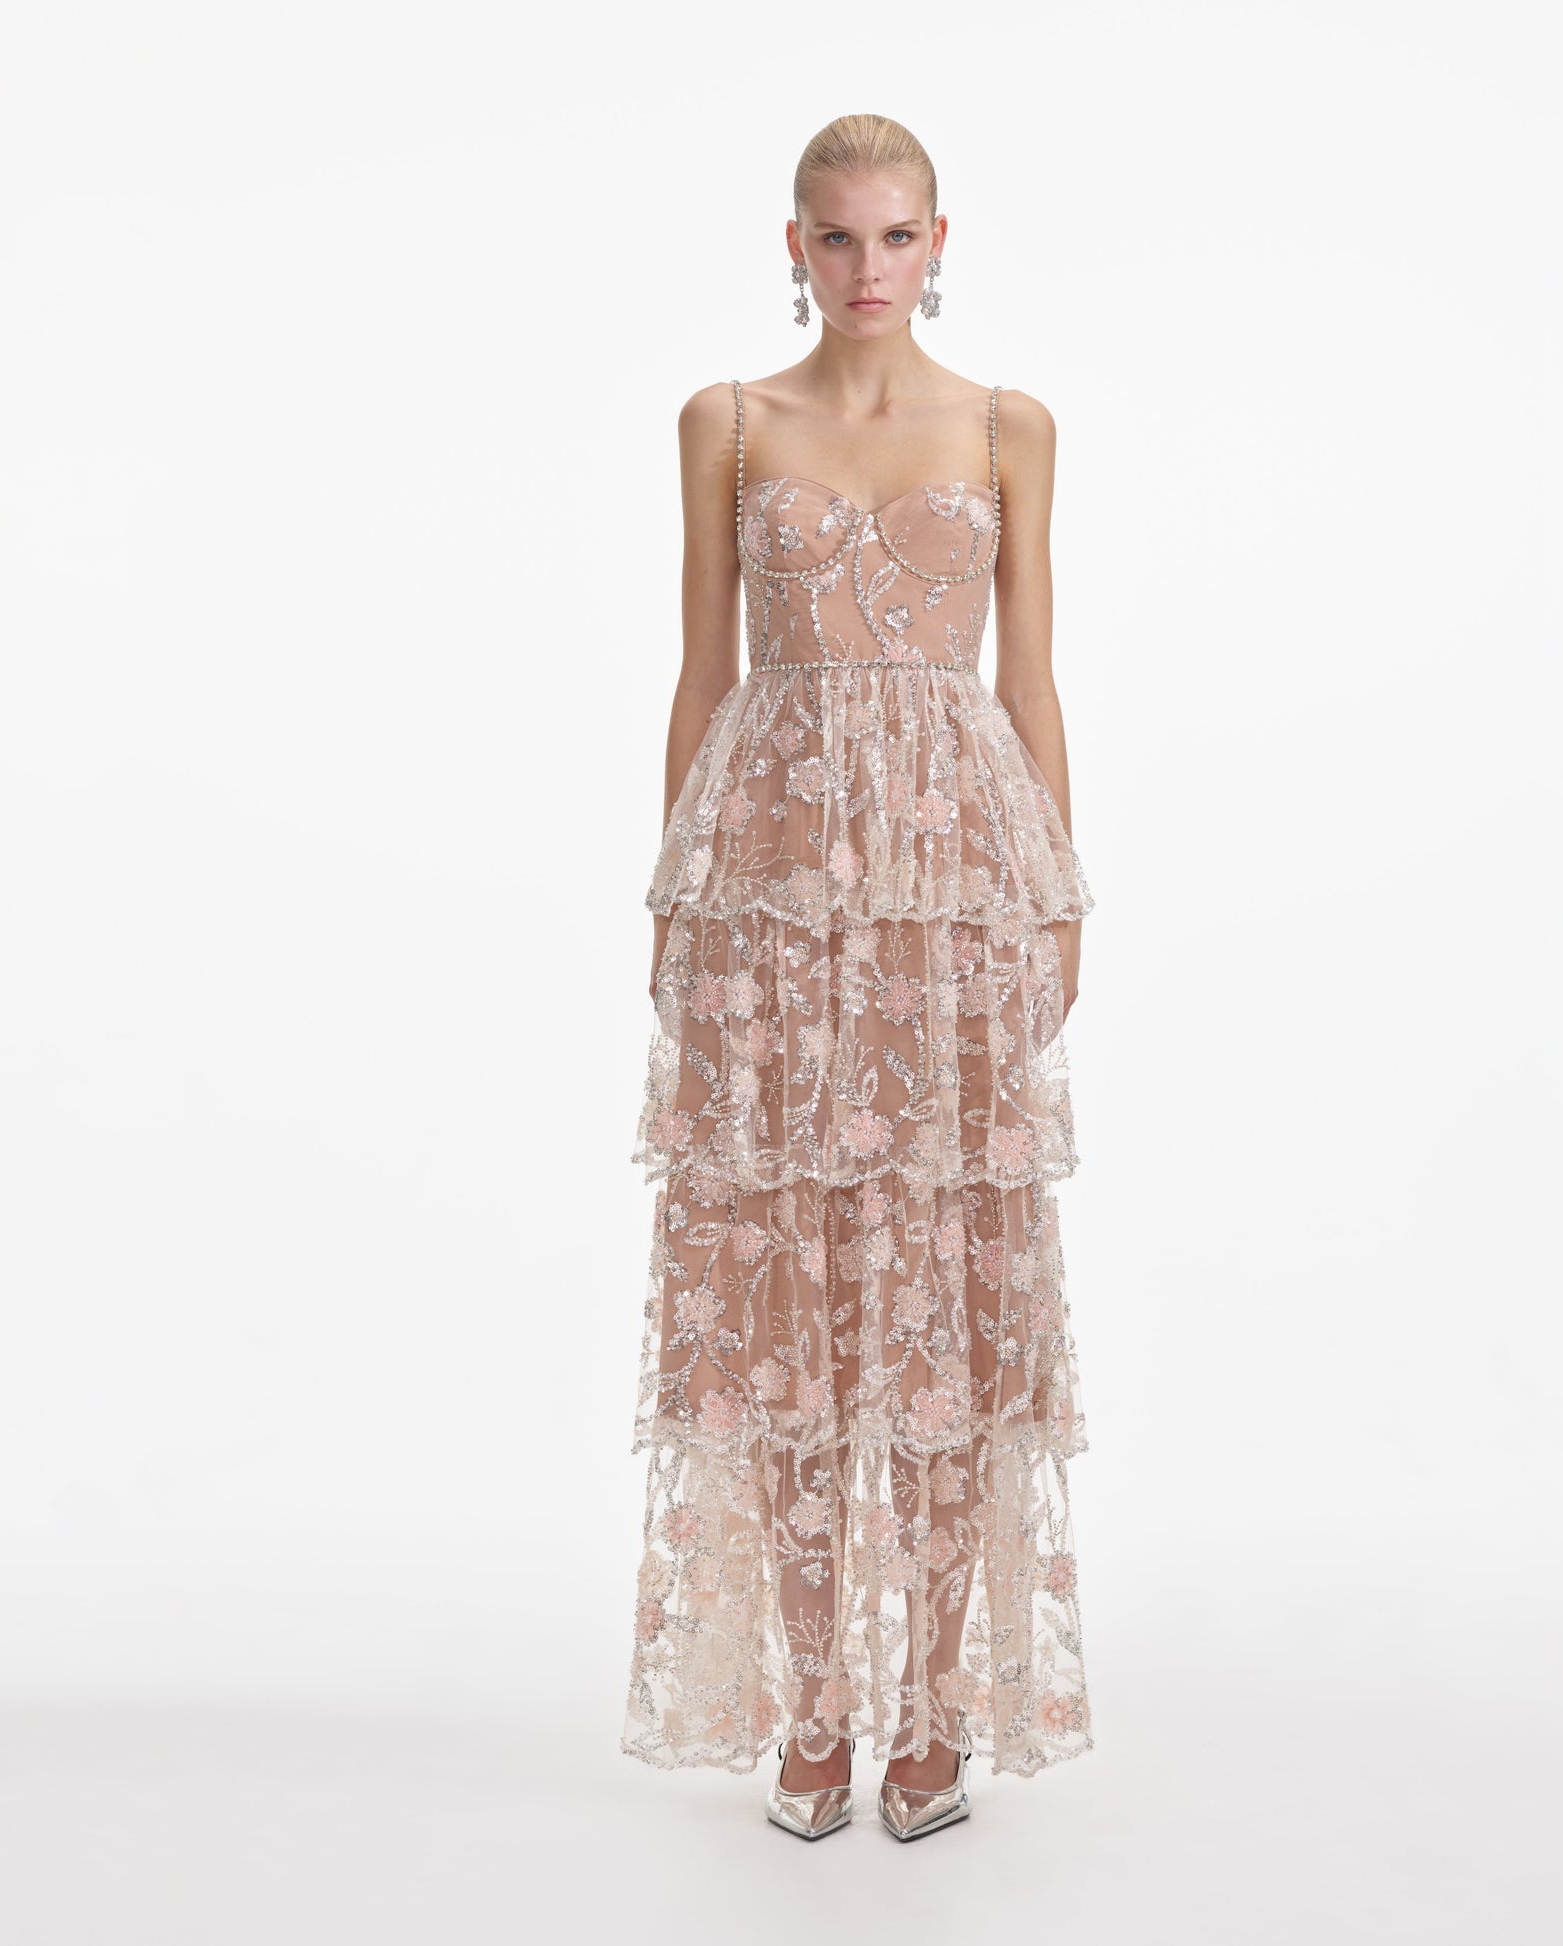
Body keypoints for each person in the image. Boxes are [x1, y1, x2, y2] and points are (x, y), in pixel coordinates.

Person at [620, 113, 1097, 1843]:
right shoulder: (729, 422)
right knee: (791, 1296)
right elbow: (703, 671)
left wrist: (1057, 899)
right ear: (795, 246)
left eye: (895, 236)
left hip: (953, 887)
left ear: (938, 240)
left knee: (949, 1296)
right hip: (771, 885)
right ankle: (816, 1709)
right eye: (837, 237)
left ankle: (937, 1711)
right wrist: (674, 903)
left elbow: (1028, 677)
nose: (867, 266)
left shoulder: (1008, 426)